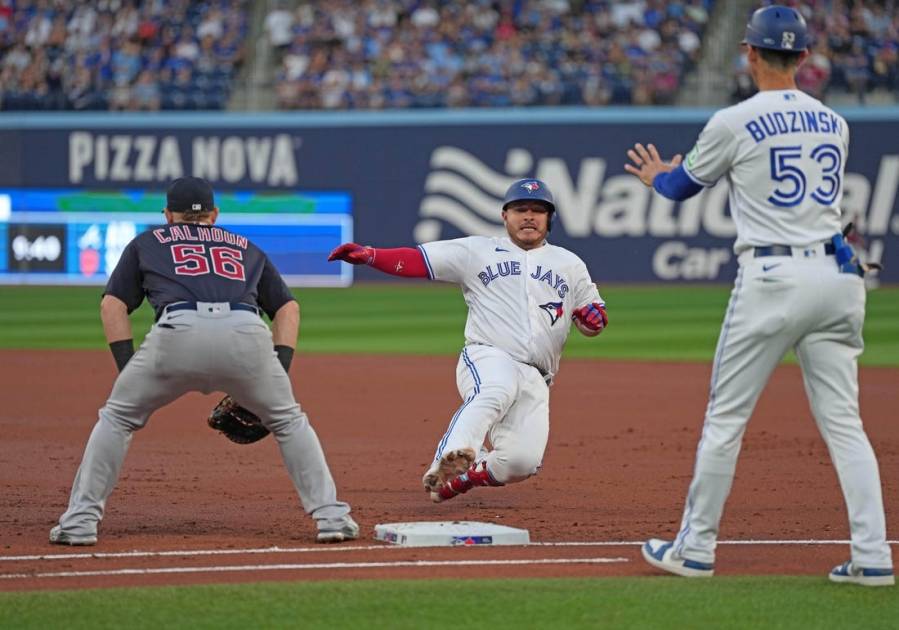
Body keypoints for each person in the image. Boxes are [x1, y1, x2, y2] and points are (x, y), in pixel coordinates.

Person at [624, 5, 893, 586]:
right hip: (840, 277)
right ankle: (874, 558)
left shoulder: (734, 120)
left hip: (773, 279)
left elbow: (678, 186)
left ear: (749, 53)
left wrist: (655, 176)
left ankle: (694, 550)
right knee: (845, 425)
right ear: (802, 58)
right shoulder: (835, 123)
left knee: (726, 419)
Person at [50, 177, 358, 545]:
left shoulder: (147, 243)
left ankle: (79, 524)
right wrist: (278, 370)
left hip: (178, 330)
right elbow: (287, 308)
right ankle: (333, 519)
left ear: (167, 215)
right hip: (247, 332)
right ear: (214, 215)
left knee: (118, 417)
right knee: (289, 421)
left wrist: (128, 370)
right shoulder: (246, 246)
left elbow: (112, 306)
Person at [328, 179, 608, 502]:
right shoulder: (478, 251)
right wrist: (370, 255)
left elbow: (592, 314)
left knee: (521, 462)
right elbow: (419, 260)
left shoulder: (570, 264)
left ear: (549, 219)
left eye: (537, 210)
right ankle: (450, 456)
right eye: (520, 210)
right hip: (488, 355)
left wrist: (593, 321)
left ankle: (464, 477)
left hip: (538, 376)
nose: (529, 216)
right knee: (495, 390)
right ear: (505, 216)